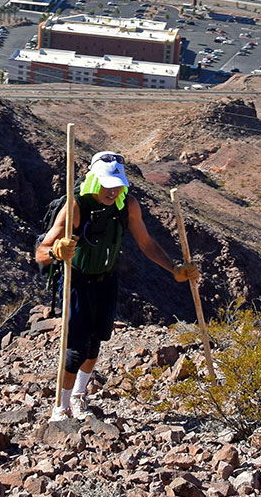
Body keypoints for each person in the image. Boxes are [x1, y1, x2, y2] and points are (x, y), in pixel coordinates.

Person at [35, 151, 198, 421]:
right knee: (75, 348)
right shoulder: (76, 207)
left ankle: (78, 395)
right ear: (95, 180)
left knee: (96, 341)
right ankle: (60, 408)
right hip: (77, 281)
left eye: (118, 184)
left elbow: (146, 243)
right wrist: (56, 253)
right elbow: (41, 251)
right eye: (108, 184)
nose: (113, 190)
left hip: (106, 279)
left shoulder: (127, 206)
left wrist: (174, 269)